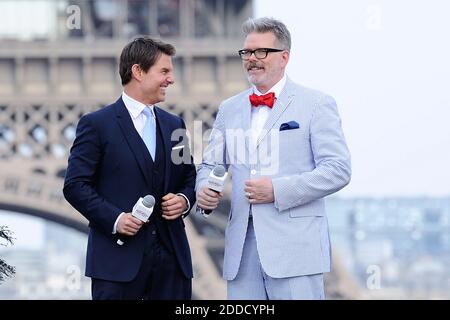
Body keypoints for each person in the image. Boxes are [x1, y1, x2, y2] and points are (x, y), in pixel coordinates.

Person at [196, 17, 351, 300]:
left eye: (261, 52)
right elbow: (211, 164)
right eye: (247, 53)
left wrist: (277, 190)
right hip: (241, 252)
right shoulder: (229, 109)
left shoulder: (316, 104)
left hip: (295, 250)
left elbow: (338, 169)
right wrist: (204, 188)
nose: (252, 59)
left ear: (284, 57)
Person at [63, 37, 196, 300]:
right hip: (116, 263)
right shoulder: (96, 124)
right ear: (138, 71)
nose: (171, 79)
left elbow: (189, 177)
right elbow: (75, 185)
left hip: (172, 262)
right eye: (164, 71)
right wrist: (116, 219)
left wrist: (184, 200)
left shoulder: (175, 125)